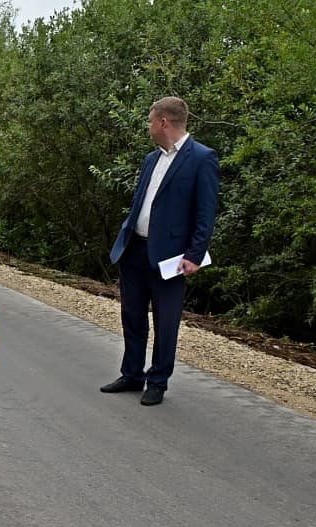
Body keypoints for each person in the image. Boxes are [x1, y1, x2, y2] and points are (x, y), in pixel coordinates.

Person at [101, 96, 220, 406]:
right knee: (132, 316)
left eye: (150, 121)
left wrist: (195, 254)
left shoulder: (201, 158)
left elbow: (206, 212)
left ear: (163, 122)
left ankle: (157, 381)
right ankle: (132, 373)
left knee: (166, 322)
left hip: (170, 258)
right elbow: (141, 200)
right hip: (135, 250)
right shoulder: (151, 159)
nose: (148, 126)